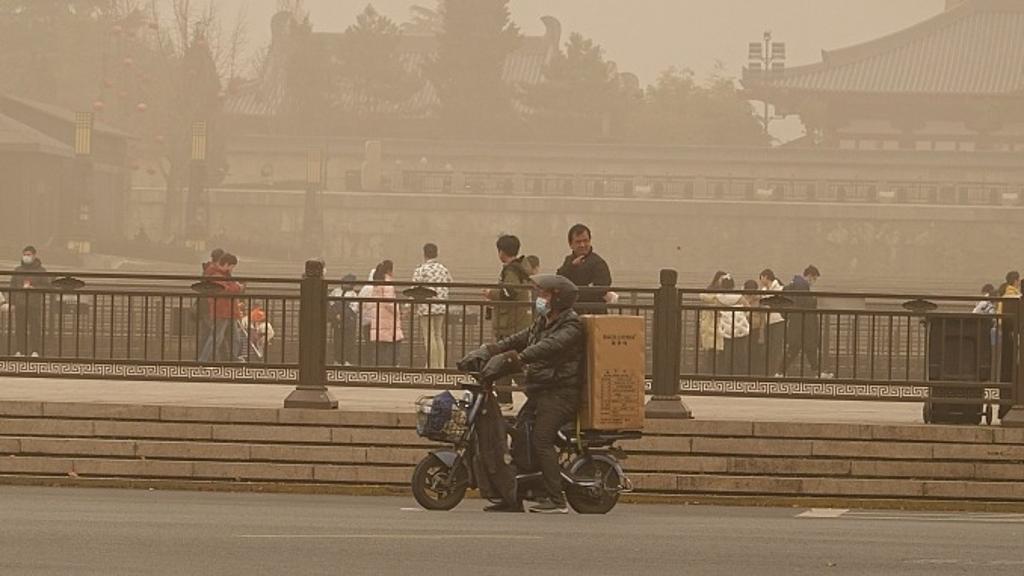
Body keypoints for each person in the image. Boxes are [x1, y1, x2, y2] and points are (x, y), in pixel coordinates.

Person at [459, 275, 585, 514]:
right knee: (519, 437)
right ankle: (514, 496)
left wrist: (514, 359)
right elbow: (520, 338)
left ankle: (557, 501)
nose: (540, 299)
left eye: (545, 295)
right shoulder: (543, 321)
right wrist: (488, 350)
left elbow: (547, 347)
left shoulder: (572, 325)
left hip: (561, 394)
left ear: (558, 299)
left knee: (540, 440)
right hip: (541, 391)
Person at [483, 235, 533, 407]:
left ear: (501, 252)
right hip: (518, 323)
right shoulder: (520, 268)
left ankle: (531, 395)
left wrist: (491, 294)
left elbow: (509, 292)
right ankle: (505, 398)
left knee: (510, 363)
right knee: (507, 362)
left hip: (510, 326)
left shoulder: (511, 271)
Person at [776, 265, 832, 379]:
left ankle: (781, 372)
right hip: (802, 323)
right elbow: (804, 304)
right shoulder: (802, 285)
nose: (813, 282)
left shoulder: (796, 284)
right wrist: (813, 301)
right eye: (814, 279)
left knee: (798, 348)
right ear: (810, 276)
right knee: (806, 347)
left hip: (797, 322)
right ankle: (781, 372)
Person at [411, 243, 453, 369]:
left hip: (426, 307)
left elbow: (414, 289)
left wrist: (408, 306)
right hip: (440, 305)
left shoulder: (421, 270)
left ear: (424, 254)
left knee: (429, 336)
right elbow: (450, 281)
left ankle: (431, 365)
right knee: (438, 335)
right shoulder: (443, 269)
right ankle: (441, 365)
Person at [199, 253, 245, 362]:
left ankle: (233, 358)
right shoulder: (216, 276)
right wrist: (238, 287)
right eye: (232, 266)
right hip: (222, 310)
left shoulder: (223, 275)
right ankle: (203, 360)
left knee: (235, 337)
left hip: (228, 310)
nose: (232, 269)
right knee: (216, 338)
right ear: (226, 264)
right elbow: (225, 289)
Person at [557, 224, 612, 314]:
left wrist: (576, 294)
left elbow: (602, 287)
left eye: (585, 241)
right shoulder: (568, 261)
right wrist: (571, 266)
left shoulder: (598, 262)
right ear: (571, 244)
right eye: (578, 242)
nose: (582, 245)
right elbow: (559, 280)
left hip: (593, 313)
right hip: (571, 313)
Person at [10, 246, 49, 357]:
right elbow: (12, 286)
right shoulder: (18, 270)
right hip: (20, 303)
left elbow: (46, 285)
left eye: (29, 255)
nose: (26, 257)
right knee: (19, 328)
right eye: (25, 254)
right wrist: (12, 303)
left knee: (35, 328)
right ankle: (20, 350)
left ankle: (35, 350)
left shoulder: (41, 271)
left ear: (34, 255)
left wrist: (35, 288)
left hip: (34, 304)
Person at [709, 276, 750, 375]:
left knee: (727, 351)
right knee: (741, 351)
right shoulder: (739, 297)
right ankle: (741, 373)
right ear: (733, 285)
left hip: (726, 329)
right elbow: (748, 308)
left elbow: (717, 312)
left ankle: (727, 373)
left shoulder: (719, 298)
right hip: (740, 328)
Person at [366, 260, 404, 366]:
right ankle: (391, 367)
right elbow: (389, 302)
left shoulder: (377, 282)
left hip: (378, 317)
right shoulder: (387, 282)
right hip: (388, 319)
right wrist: (398, 312)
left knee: (380, 345)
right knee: (392, 343)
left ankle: (379, 367)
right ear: (389, 270)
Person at [698, 271, 729, 373]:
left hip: (721, 322)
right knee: (711, 348)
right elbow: (703, 296)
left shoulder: (725, 293)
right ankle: (709, 371)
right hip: (709, 322)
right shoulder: (711, 292)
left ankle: (719, 371)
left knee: (720, 348)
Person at [759, 269, 787, 375]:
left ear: (766, 277)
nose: (761, 280)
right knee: (770, 347)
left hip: (778, 320)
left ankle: (777, 371)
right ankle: (770, 371)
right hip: (768, 322)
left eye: (761, 278)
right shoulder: (764, 289)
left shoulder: (779, 288)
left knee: (777, 347)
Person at [329, 274, 360, 365]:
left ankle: (347, 360)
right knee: (337, 340)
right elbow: (330, 303)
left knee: (348, 341)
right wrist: (335, 315)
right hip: (337, 321)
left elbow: (354, 308)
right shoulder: (335, 291)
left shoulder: (354, 294)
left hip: (348, 323)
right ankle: (337, 359)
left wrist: (343, 315)